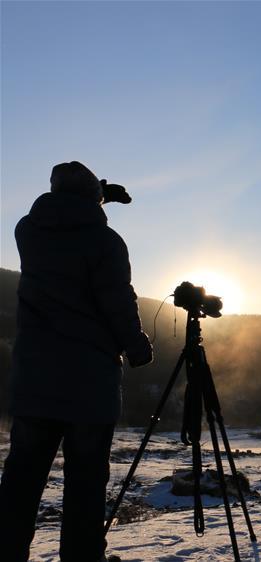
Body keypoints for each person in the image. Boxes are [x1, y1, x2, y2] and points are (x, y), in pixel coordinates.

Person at [0, 161, 153, 561]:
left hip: (34, 384)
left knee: (19, 484)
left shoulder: (27, 231)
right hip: (88, 387)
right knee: (85, 485)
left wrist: (96, 193)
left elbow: (64, 215)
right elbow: (118, 303)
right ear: (90, 199)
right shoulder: (106, 242)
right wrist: (137, 347)